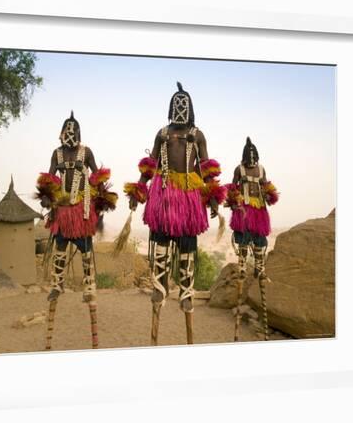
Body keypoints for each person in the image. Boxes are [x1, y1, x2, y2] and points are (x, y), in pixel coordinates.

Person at [125, 82, 226, 345]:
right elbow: (150, 166)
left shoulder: (198, 135)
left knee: (186, 247)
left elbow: (205, 168)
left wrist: (214, 200)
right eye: (176, 104)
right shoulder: (161, 133)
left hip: (189, 199)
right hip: (164, 196)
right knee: (159, 243)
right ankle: (159, 287)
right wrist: (138, 193)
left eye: (184, 104)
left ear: (190, 109)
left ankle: (186, 290)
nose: (180, 108)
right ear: (171, 108)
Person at [35, 111, 117, 350]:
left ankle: (89, 285)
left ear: (78, 133)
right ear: (61, 133)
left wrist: (102, 197)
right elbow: (50, 177)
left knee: (85, 248)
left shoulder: (86, 152)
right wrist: (47, 197)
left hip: (82, 208)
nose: (69, 134)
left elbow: (97, 178)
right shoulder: (57, 153)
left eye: (73, 130)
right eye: (66, 130)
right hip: (63, 209)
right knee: (60, 244)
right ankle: (57, 283)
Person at [224, 137, 279, 341]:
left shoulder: (262, 169)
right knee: (243, 242)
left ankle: (259, 267)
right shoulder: (239, 169)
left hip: (259, 211)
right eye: (250, 158)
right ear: (245, 158)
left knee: (259, 242)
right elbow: (233, 189)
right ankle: (242, 266)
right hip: (245, 211)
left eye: (255, 158)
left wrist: (269, 194)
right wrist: (235, 201)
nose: (253, 161)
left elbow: (267, 188)